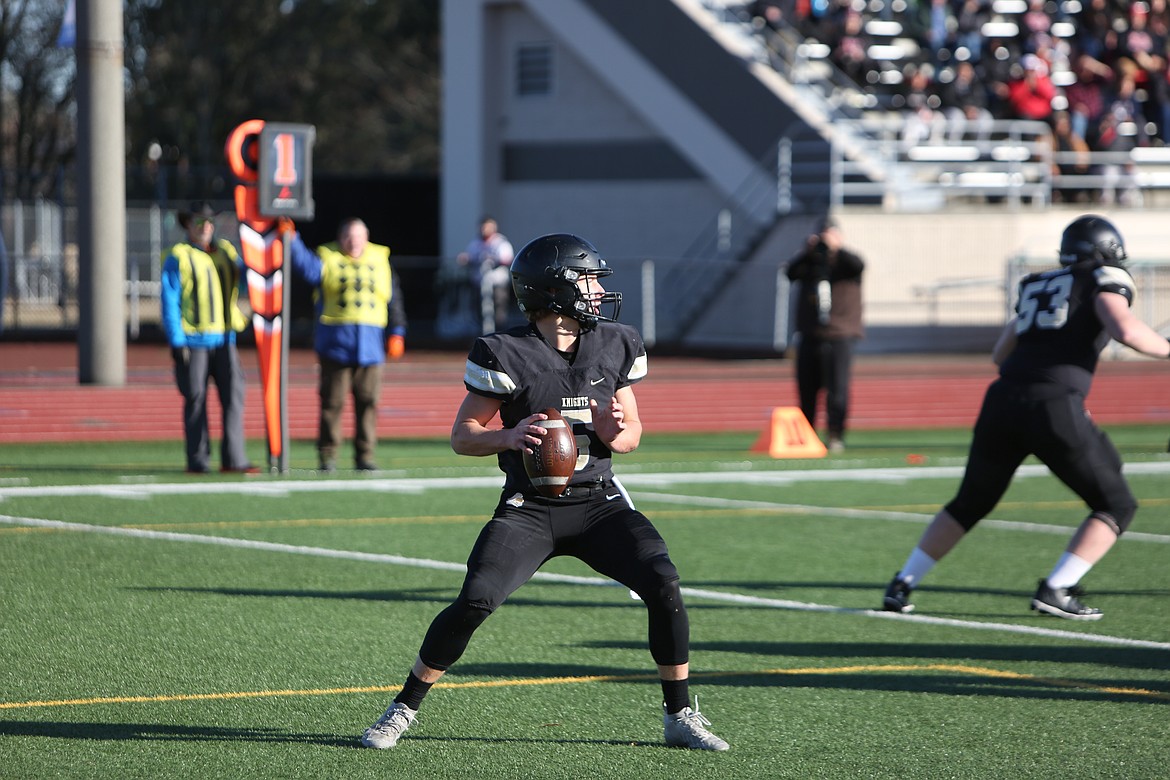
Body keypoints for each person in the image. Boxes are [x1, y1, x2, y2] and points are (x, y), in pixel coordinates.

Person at [359, 233, 730, 752]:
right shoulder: (505, 352)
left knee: (662, 579)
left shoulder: (615, 343)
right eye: (589, 279)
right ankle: (401, 708)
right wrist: (508, 436)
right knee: (476, 598)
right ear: (555, 290)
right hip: (530, 506)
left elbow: (631, 437)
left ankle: (679, 715)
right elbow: (462, 437)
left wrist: (609, 429)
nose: (599, 289)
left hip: (598, 500)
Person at [882, 215, 1170, 620]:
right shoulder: (1101, 278)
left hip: (1003, 397)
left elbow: (1001, 353)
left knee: (971, 502)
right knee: (1116, 503)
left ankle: (903, 583)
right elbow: (1123, 327)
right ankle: (1058, 587)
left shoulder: (1038, 283)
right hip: (1053, 402)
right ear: (1106, 250)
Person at [288, 217, 407, 472]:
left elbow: (393, 298)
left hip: (371, 346)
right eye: (348, 237)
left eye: (358, 236)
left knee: (368, 403)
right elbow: (305, 267)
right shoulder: (327, 258)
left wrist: (397, 331)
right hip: (335, 344)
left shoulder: (380, 260)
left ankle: (365, 456)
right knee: (332, 403)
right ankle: (327, 456)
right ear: (340, 238)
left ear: (367, 237)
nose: (353, 242)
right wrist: (292, 239)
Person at [160, 201, 257, 474]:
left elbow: (248, 278)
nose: (206, 227)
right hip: (194, 341)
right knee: (195, 400)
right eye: (200, 222)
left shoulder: (226, 251)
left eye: (210, 222)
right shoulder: (178, 256)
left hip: (225, 340)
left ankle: (234, 459)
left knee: (234, 398)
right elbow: (170, 300)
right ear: (188, 225)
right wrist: (176, 341)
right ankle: (198, 460)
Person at [784, 216, 865, 453]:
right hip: (810, 335)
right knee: (807, 390)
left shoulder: (846, 263)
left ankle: (835, 435)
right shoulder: (810, 263)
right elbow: (791, 273)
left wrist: (836, 248)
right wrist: (808, 251)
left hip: (839, 334)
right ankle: (806, 436)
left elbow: (857, 266)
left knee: (837, 390)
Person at [457, 216, 514, 333]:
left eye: (487, 226)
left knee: (498, 313)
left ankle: (499, 336)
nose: (484, 229)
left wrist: (493, 259)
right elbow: (469, 257)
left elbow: (507, 258)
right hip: (479, 284)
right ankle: (482, 336)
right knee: (479, 312)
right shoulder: (475, 243)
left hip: (497, 284)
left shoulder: (500, 242)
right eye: (482, 227)